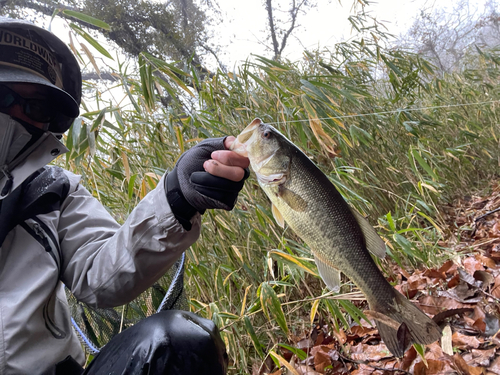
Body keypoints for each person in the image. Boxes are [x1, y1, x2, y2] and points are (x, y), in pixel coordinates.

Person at [0, 17, 250, 374]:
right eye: (2, 94)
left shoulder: (54, 191)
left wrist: (177, 196)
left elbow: (102, 275)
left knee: (178, 342)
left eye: (36, 107)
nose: (15, 115)